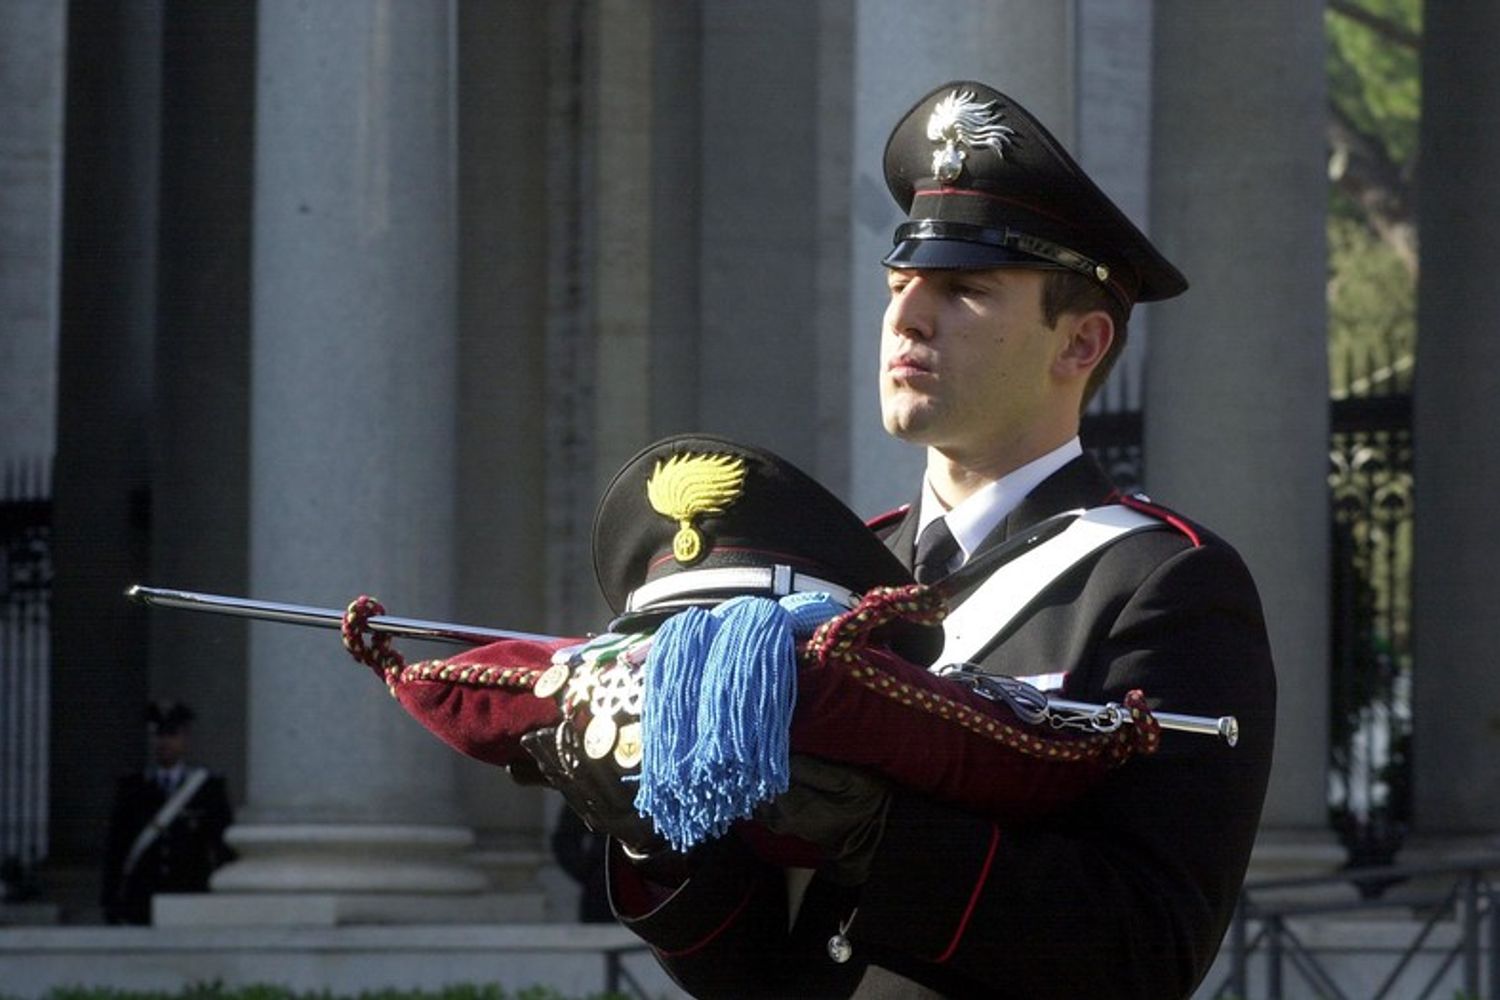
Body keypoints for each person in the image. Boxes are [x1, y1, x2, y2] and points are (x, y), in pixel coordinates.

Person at [532, 81, 1277, 998]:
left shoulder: (1160, 581)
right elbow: (751, 968)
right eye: (899, 285)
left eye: (964, 291)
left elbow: (1147, 953)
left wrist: (883, 837)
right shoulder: (827, 572)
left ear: (1081, 344)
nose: (907, 318)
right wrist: (659, 838)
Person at [101, 701, 235, 924]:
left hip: (190, 895)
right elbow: (116, 847)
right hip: (142, 900)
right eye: (158, 734)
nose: (164, 742)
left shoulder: (207, 789)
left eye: (171, 734)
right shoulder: (132, 788)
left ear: (185, 737)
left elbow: (221, 846)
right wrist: (110, 900)